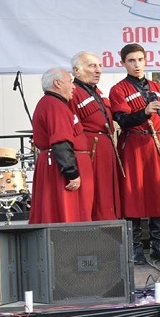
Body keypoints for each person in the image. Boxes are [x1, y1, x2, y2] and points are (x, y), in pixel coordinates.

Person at [109, 43, 160, 265]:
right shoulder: (119, 90)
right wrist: (144, 112)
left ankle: (158, 249)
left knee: (159, 196)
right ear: (123, 63)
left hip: (158, 144)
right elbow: (122, 120)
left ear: (145, 60)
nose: (137, 64)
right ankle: (136, 250)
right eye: (131, 60)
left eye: (140, 60)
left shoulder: (158, 88)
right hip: (135, 145)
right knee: (133, 198)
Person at [30, 67, 94, 224]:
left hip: (59, 164)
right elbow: (60, 141)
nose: (73, 86)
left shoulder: (55, 104)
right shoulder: (54, 105)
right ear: (57, 83)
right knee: (67, 213)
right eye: (70, 82)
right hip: (59, 169)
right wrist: (71, 172)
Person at [69, 51, 121, 221]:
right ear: (77, 70)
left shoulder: (97, 91)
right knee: (96, 196)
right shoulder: (73, 93)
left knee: (107, 195)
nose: (98, 70)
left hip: (106, 148)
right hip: (90, 150)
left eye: (99, 66)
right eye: (92, 66)